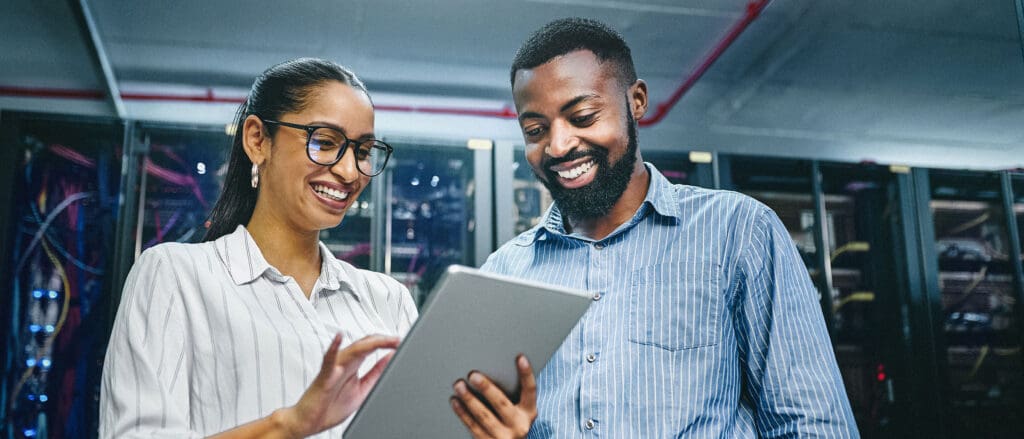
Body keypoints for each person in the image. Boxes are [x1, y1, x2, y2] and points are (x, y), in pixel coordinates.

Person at [100, 58, 534, 438]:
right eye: (325, 142)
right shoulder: (176, 276)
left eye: (364, 151)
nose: (349, 171)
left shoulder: (388, 301)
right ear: (257, 139)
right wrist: (289, 425)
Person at [480, 18, 860, 438]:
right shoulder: (505, 272)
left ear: (637, 101)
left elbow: (813, 426)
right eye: (535, 130)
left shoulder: (739, 233)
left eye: (583, 116)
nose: (558, 145)